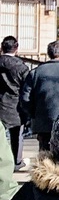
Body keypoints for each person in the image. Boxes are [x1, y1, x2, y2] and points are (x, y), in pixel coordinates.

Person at [0, 36, 29, 173]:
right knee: (17, 135)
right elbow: (27, 87)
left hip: (1, 102)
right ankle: (16, 162)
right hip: (16, 104)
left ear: (2, 47)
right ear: (16, 48)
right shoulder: (21, 66)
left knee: (2, 136)